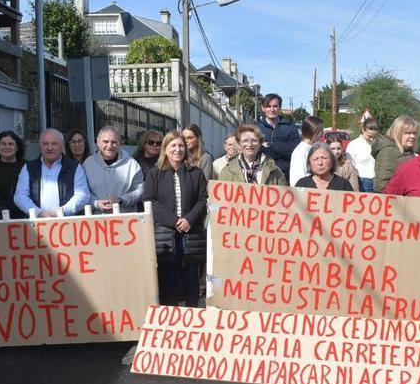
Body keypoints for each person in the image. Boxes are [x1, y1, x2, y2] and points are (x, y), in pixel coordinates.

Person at [144, 130, 208, 307]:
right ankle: (172, 325)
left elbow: (203, 199)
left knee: (191, 280)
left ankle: (193, 321)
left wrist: (189, 219)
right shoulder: (154, 174)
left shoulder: (196, 173)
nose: (178, 149)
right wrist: (173, 221)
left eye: (181, 145)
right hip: (166, 234)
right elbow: (150, 201)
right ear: (165, 149)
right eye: (173, 145)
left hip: (191, 233)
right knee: (168, 280)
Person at [14, 128, 90, 217]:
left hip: (66, 223)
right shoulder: (29, 168)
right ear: (40, 145)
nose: (49, 148)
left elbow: (82, 195)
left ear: (62, 145)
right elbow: (20, 196)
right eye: (45, 144)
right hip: (36, 224)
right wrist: (38, 213)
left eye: (54, 144)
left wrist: (62, 212)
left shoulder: (74, 167)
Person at [83, 126, 144, 213]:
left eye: (114, 142)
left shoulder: (132, 164)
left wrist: (121, 200)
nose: (109, 146)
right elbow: (83, 192)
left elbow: (140, 190)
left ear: (120, 143)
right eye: (105, 142)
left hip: (125, 219)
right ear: (98, 142)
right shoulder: (87, 164)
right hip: (97, 220)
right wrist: (96, 203)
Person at [218, 125, 287, 185]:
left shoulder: (274, 170)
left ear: (260, 143)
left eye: (254, 140)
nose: (250, 144)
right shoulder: (228, 170)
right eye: (245, 140)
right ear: (239, 144)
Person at [256, 93, 300, 175]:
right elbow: (255, 150)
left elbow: (294, 149)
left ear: (279, 107)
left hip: (285, 174)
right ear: (263, 108)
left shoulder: (290, 127)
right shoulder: (256, 129)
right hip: (262, 173)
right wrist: (282, 147)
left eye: (275, 106)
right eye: (268, 106)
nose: (272, 109)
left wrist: (270, 145)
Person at [371, 115, 419, 192]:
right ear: (398, 133)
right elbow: (381, 186)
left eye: (414, 133)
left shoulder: (407, 150)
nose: (413, 136)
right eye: (408, 133)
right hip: (394, 200)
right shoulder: (388, 151)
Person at [289, 116, 325, 186]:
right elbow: (297, 181)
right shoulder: (300, 152)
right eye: (321, 131)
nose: (323, 133)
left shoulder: (314, 148)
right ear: (314, 131)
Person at [346, 118, 379, 192]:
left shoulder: (378, 144)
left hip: (378, 181)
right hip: (362, 182)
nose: (372, 139)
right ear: (363, 130)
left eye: (374, 136)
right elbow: (350, 167)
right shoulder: (353, 145)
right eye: (369, 136)